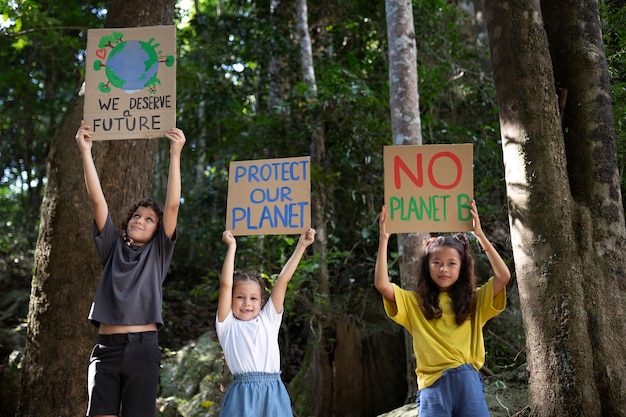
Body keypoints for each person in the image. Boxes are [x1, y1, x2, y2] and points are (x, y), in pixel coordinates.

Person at [75, 121, 186, 417]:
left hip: (143, 349)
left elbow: (172, 206)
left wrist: (175, 153)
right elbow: (98, 201)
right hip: (105, 350)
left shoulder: (159, 252)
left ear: (157, 230)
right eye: (137, 215)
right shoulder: (111, 247)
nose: (140, 220)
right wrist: (86, 151)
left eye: (150, 219)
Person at [374, 200, 511, 417]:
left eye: (451, 263)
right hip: (432, 386)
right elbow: (382, 285)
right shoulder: (414, 302)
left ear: (462, 267)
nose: (443, 269)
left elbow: (503, 277)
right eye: (436, 262)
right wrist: (384, 238)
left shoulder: (474, 300)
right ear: (427, 267)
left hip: (468, 381)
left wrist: (480, 235)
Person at [216, 228, 316, 417]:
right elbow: (225, 284)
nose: (247, 303)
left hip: (273, 392)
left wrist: (302, 245)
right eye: (240, 297)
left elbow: (283, 281)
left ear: (262, 302)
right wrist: (231, 247)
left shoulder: (268, 320)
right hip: (241, 396)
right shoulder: (226, 325)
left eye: (253, 298)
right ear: (230, 300)